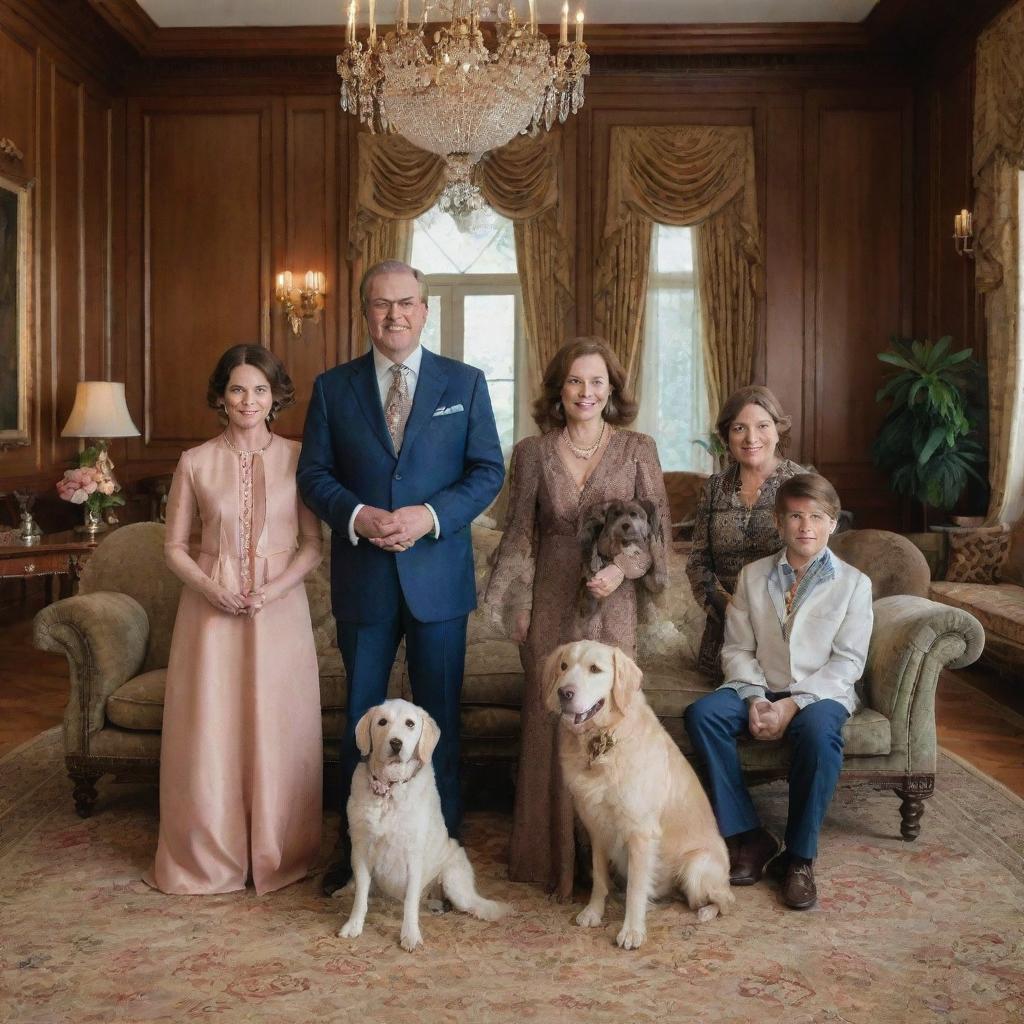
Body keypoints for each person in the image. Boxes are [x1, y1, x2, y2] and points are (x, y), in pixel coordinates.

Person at [297, 259, 504, 895]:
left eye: (407, 303)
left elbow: (487, 471)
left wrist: (430, 515)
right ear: (366, 313)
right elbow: (313, 475)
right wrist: (358, 515)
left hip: (438, 579)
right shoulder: (334, 388)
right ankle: (349, 848)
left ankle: (441, 847)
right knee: (362, 719)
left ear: (424, 309)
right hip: (363, 577)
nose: (395, 315)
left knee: (437, 718)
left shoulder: (464, 383)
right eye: (382, 305)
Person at [484, 337, 671, 899]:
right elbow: (519, 534)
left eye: (596, 382)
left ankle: (612, 866)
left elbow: (656, 537)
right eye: (574, 382)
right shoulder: (532, 452)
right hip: (550, 601)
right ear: (557, 390)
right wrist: (516, 604)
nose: (585, 392)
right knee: (549, 725)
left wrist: (625, 570)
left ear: (611, 388)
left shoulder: (638, 447)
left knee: (611, 722)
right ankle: (550, 863)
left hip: (614, 609)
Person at [145, 345, 323, 895]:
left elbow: (315, 545)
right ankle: (210, 855)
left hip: (281, 609)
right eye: (239, 389)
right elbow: (175, 546)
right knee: (212, 727)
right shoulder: (195, 462)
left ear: (276, 398)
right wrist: (212, 589)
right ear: (221, 397)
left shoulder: (301, 458)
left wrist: (271, 589)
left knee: (279, 726)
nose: (250, 400)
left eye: (261, 390)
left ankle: (280, 851)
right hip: (209, 612)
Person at [684, 472, 873, 910]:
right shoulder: (753, 576)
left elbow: (847, 662)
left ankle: (799, 858)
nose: (805, 526)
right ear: (779, 522)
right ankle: (749, 837)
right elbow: (736, 648)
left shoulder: (853, 584)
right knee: (703, 714)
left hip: (819, 694)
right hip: (759, 684)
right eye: (795, 516)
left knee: (821, 734)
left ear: (833, 523)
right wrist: (754, 698)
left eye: (817, 517)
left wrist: (792, 705)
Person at [686, 385, 804, 680]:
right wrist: (731, 610)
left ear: (778, 431)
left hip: (787, 640)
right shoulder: (714, 488)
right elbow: (698, 563)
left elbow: (817, 567)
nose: (751, 438)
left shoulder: (802, 484)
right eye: (740, 428)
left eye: (762, 426)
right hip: (723, 640)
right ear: (727, 436)